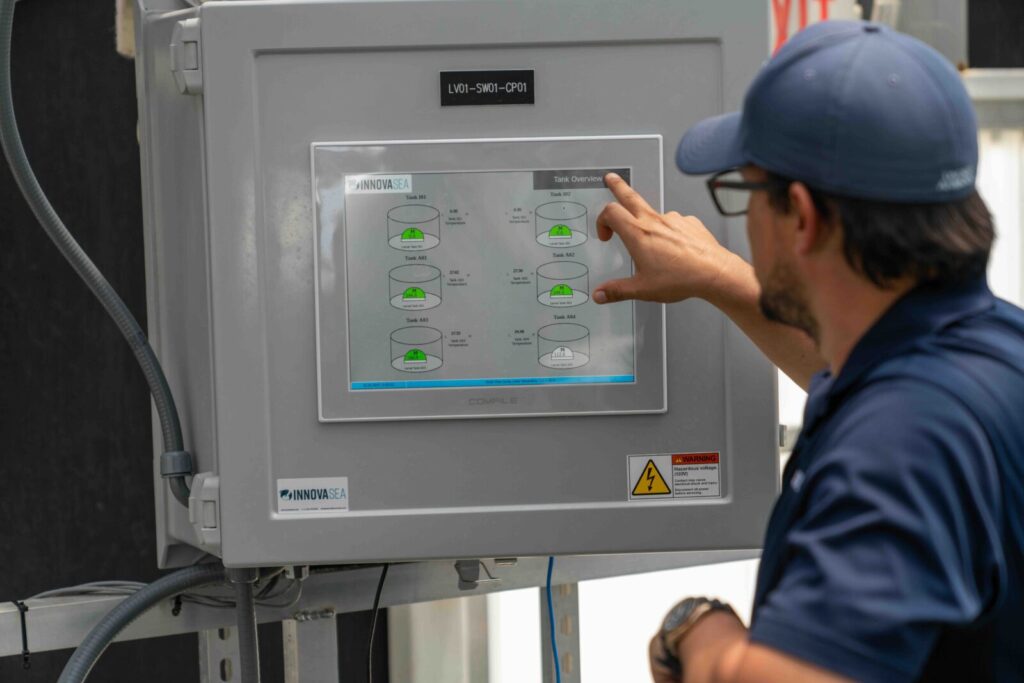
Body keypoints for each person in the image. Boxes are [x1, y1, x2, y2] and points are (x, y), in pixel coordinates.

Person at [593, 20, 1024, 683]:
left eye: (741, 193)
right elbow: (850, 369)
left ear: (802, 215)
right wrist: (721, 278)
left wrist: (699, 631)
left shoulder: (904, 441)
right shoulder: (993, 353)